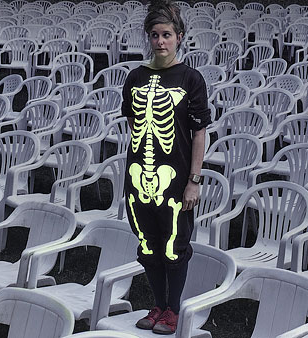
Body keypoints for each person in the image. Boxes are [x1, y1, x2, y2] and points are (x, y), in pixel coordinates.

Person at [120, 0, 211, 334]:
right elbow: (133, 123)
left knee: (175, 245)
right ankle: (158, 304)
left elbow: (199, 132)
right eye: (155, 35)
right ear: (149, 38)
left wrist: (194, 180)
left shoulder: (191, 78)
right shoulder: (135, 77)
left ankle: (173, 309)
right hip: (137, 175)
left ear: (179, 37)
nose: (160, 41)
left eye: (167, 35)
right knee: (147, 245)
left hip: (174, 178)